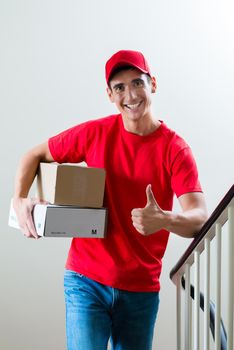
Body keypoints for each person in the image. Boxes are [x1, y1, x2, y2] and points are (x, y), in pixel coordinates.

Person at [13, 49, 208, 350]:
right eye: (119, 87)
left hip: (140, 289)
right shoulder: (95, 133)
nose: (130, 94)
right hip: (86, 280)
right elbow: (34, 155)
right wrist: (19, 199)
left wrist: (165, 219)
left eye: (137, 83)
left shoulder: (175, 149)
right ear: (109, 95)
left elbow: (200, 218)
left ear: (152, 84)